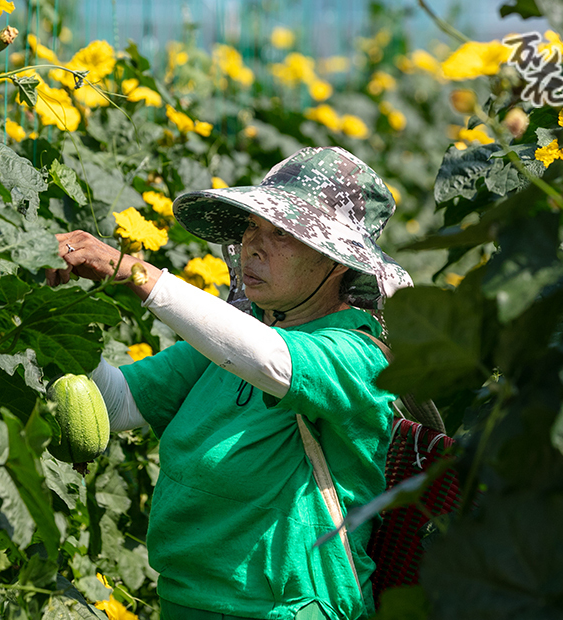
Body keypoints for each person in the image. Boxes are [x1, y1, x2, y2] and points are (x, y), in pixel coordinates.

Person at [49, 146, 412, 620]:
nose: (252, 247)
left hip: (289, 608)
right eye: (251, 227)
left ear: (337, 261)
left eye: (281, 233)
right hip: (187, 600)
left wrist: (133, 271)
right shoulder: (235, 339)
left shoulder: (356, 354)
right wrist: (57, 314)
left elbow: (272, 363)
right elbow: (115, 404)